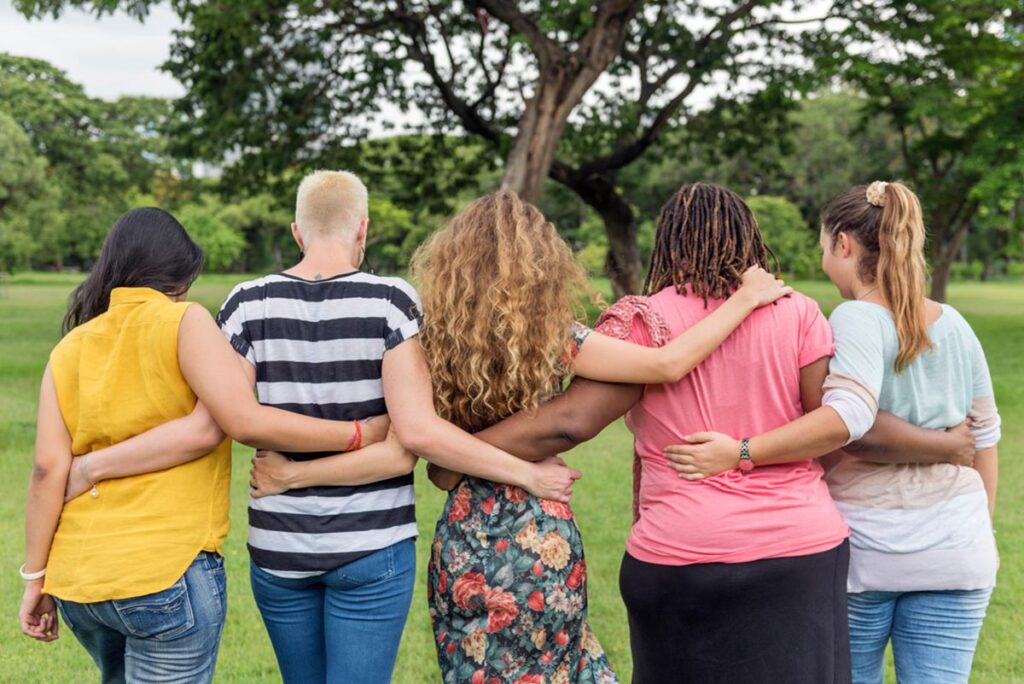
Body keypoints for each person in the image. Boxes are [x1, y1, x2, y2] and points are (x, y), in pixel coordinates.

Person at [430, 182, 976, 684]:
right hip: (800, 550)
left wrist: (459, 455)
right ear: (750, 237)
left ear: (668, 242)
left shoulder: (643, 319)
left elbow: (571, 422)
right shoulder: (800, 312)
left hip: (681, 554)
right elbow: (827, 428)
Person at [48, 173, 584, 684]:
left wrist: (286, 478)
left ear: (296, 232)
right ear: (363, 228)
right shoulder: (393, 302)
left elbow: (227, 418)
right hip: (374, 545)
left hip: (280, 547)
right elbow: (405, 447)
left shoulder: (245, 303)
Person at [253, 189, 793, 683]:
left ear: (451, 263)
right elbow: (668, 364)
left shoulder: (426, 337)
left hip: (463, 539)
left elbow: (423, 447)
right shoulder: (556, 335)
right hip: (540, 531)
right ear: (542, 262)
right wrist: (744, 299)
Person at [17, 207, 394, 683]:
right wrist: (357, 433)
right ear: (179, 274)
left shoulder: (69, 347)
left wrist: (35, 576)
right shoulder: (184, 322)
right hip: (163, 571)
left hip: (80, 583)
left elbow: (49, 471)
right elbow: (238, 421)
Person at [665, 181, 1000, 684]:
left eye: (823, 246)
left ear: (843, 244)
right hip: (960, 549)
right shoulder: (955, 323)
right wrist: (977, 527)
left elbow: (846, 422)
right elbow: (985, 439)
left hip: (871, 550)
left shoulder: (856, 317)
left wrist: (741, 451)